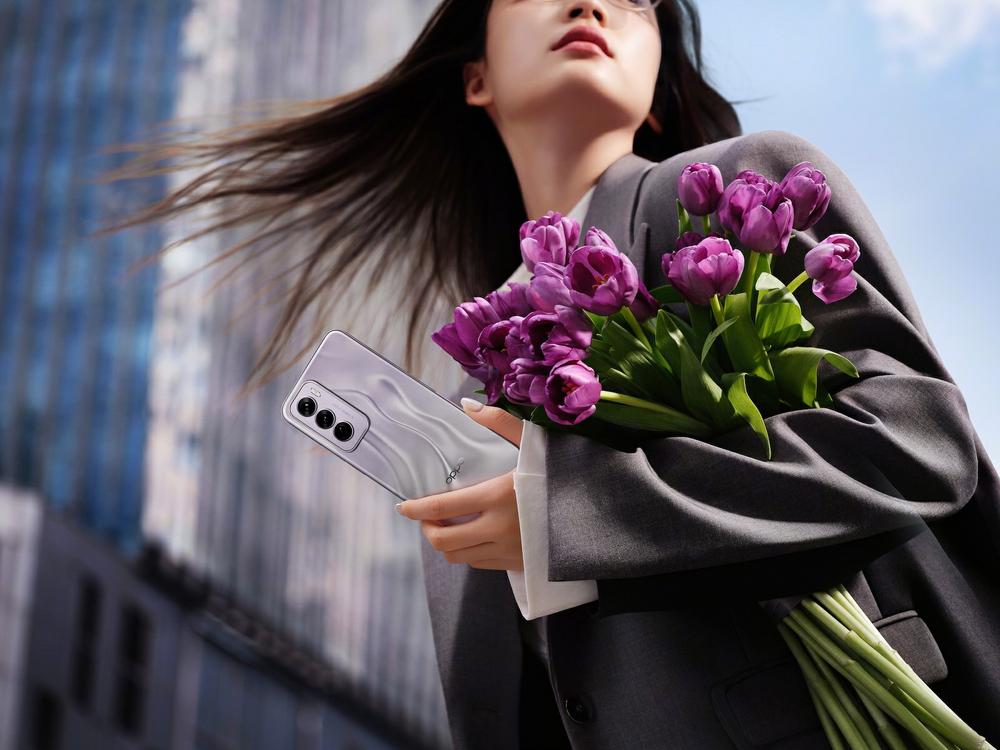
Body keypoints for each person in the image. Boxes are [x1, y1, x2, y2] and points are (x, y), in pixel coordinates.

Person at [98, 0, 1000, 748]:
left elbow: (916, 440)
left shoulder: (739, 191)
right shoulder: (472, 382)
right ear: (474, 76)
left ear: (654, 94)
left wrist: (568, 514)